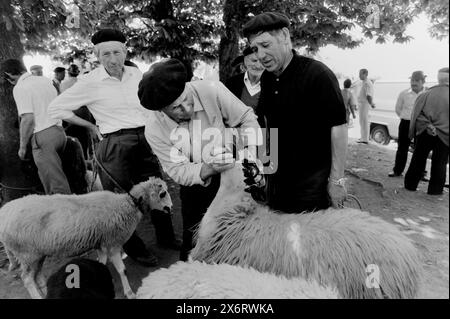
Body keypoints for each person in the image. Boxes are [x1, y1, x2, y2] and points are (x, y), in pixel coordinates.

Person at [48, 29, 180, 267]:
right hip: (114, 142)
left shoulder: (136, 73)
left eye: (117, 52)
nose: (113, 59)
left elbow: (149, 105)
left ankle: (167, 238)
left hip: (146, 137)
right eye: (106, 53)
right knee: (121, 199)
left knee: (157, 187)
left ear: (125, 52)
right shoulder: (89, 81)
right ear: (97, 55)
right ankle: (135, 249)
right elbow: (55, 109)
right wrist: (89, 124)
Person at [139, 58, 261, 261]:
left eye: (187, 100)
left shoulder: (211, 89)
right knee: (195, 241)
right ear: (160, 110)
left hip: (234, 175)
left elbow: (246, 119)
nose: (187, 110)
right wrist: (208, 168)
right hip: (198, 187)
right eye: (176, 108)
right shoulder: (154, 129)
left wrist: (248, 158)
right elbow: (178, 170)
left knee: (242, 234)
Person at [242, 12, 348, 214]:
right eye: (255, 49)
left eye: (265, 45)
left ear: (284, 35)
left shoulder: (318, 74)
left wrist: (337, 180)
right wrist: (263, 170)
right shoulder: (267, 79)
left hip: (312, 189)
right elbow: (267, 126)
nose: (260, 55)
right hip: (276, 185)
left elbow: (339, 127)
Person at [0, 59, 71, 195]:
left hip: (43, 136)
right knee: (58, 177)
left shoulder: (20, 87)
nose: (8, 81)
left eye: (7, 77)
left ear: (9, 73)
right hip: (60, 133)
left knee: (56, 187)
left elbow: (28, 119)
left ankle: (63, 213)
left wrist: (22, 146)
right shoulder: (44, 80)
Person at [404, 67, 449, 195]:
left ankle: (410, 185)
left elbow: (416, 114)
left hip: (426, 131)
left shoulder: (426, 94)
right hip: (445, 135)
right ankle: (435, 190)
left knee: (418, 158)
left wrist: (429, 125)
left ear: (438, 78)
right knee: (440, 162)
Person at [389, 71, 427, 177]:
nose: (413, 83)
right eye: (412, 80)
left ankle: (421, 173)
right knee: (402, 148)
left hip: (421, 124)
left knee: (421, 149)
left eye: (417, 80)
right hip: (405, 123)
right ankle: (397, 170)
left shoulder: (427, 94)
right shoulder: (404, 93)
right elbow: (398, 109)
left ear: (423, 81)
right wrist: (406, 117)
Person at [356, 68, 375, 144]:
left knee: (364, 121)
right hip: (362, 104)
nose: (359, 75)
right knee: (362, 121)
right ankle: (363, 137)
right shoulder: (363, 82)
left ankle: (365, 139)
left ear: (365, 74)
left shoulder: (367, 83)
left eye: (360, 74)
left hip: (365, 104)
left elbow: (368, 95)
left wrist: (371, 103)